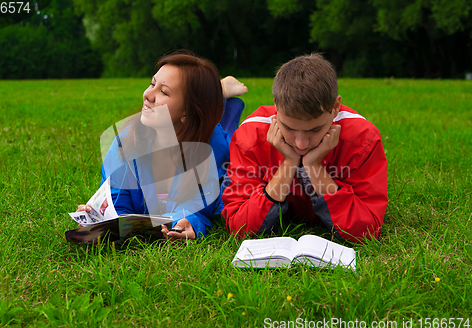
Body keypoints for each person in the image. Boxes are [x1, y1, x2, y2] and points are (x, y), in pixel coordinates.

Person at [78, 51, 247, 241]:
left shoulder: (213, 149)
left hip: (205, 133)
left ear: (187, 112)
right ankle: (219, 90)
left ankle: (221, 94)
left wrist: (191, 222)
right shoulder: (125, 143)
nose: (147, 95)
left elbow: (204, 208)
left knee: (232, 133)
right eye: (152, 83)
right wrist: (99, 217)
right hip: (192, 120)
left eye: (163, 92)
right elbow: (116, 202)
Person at [222, 53, 388, 243]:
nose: (301, 143)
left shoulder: (362, 138)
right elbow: (239, 227)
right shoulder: (250, 137)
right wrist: (289, 163)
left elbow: (367, 230)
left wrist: (314, 167)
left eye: (315, 129)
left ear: (335, 107)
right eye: (289, 128)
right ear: (276, 107)